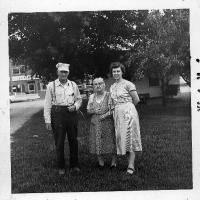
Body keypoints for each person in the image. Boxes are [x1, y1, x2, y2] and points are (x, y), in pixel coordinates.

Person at [44, 62, 82, 175]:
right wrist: (48, 120)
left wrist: (75, 107)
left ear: (68, 73)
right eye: (62, 72)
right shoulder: (51, 85)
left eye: (66, 72)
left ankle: (74, 165)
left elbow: (79, 99)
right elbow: (47, 104)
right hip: (58, 114)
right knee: (59, 142)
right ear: (57, 72)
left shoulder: (73, 85)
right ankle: (61, 166)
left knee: (73, 141)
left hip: (71, 114)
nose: (64, 74)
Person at [109, 62, 142, 175]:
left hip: (128, 113)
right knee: (122, 138)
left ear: (122, 72)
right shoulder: (112, 87)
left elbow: (136, 99)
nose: (116, 73)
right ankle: (129, 162)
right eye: (114, 71)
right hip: (117, 114)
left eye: (118, 71)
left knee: (130, 138)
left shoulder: (128, 84)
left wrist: (128, 109)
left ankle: (131, 165)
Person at [87, 78, 116, 168]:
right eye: (95, 84)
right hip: (95, 122)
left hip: (107, 121)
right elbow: (88, 110)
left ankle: (114, 161)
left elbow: (113, 109)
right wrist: (94, 110)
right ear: (93, 87)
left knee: (111, 140)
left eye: (100, 83)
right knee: (97, 140)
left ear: (104, 85)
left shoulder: (109, 95)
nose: (98, 85)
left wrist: (105, 115)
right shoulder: (92, 97)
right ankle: (100, 161)